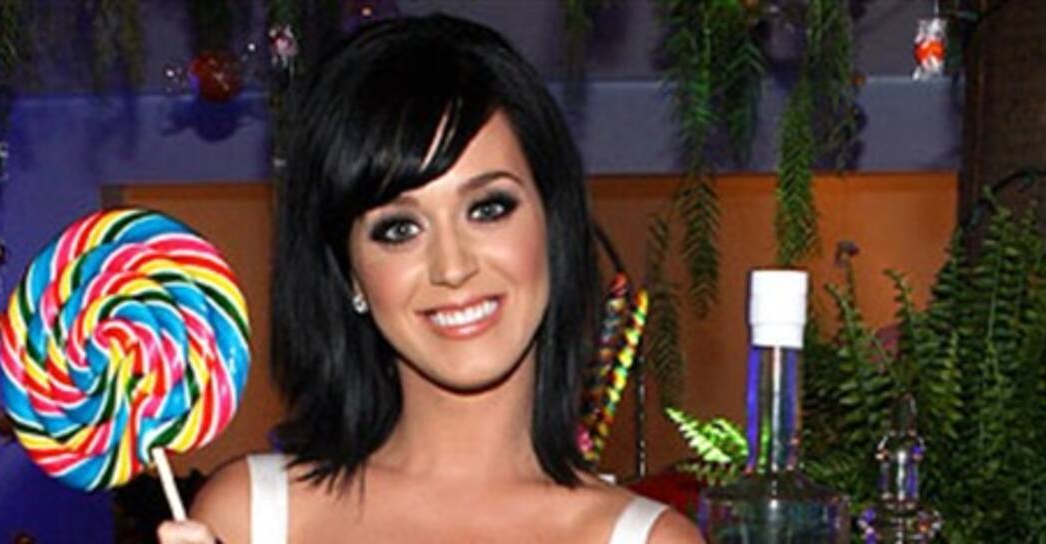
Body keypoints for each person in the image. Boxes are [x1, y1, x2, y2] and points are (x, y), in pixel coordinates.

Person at [159, 13, 704, 544]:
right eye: (399, 229)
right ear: (350, 273)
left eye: (488, 209)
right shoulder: (250, 517)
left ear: (550, 223)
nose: (453, 267)